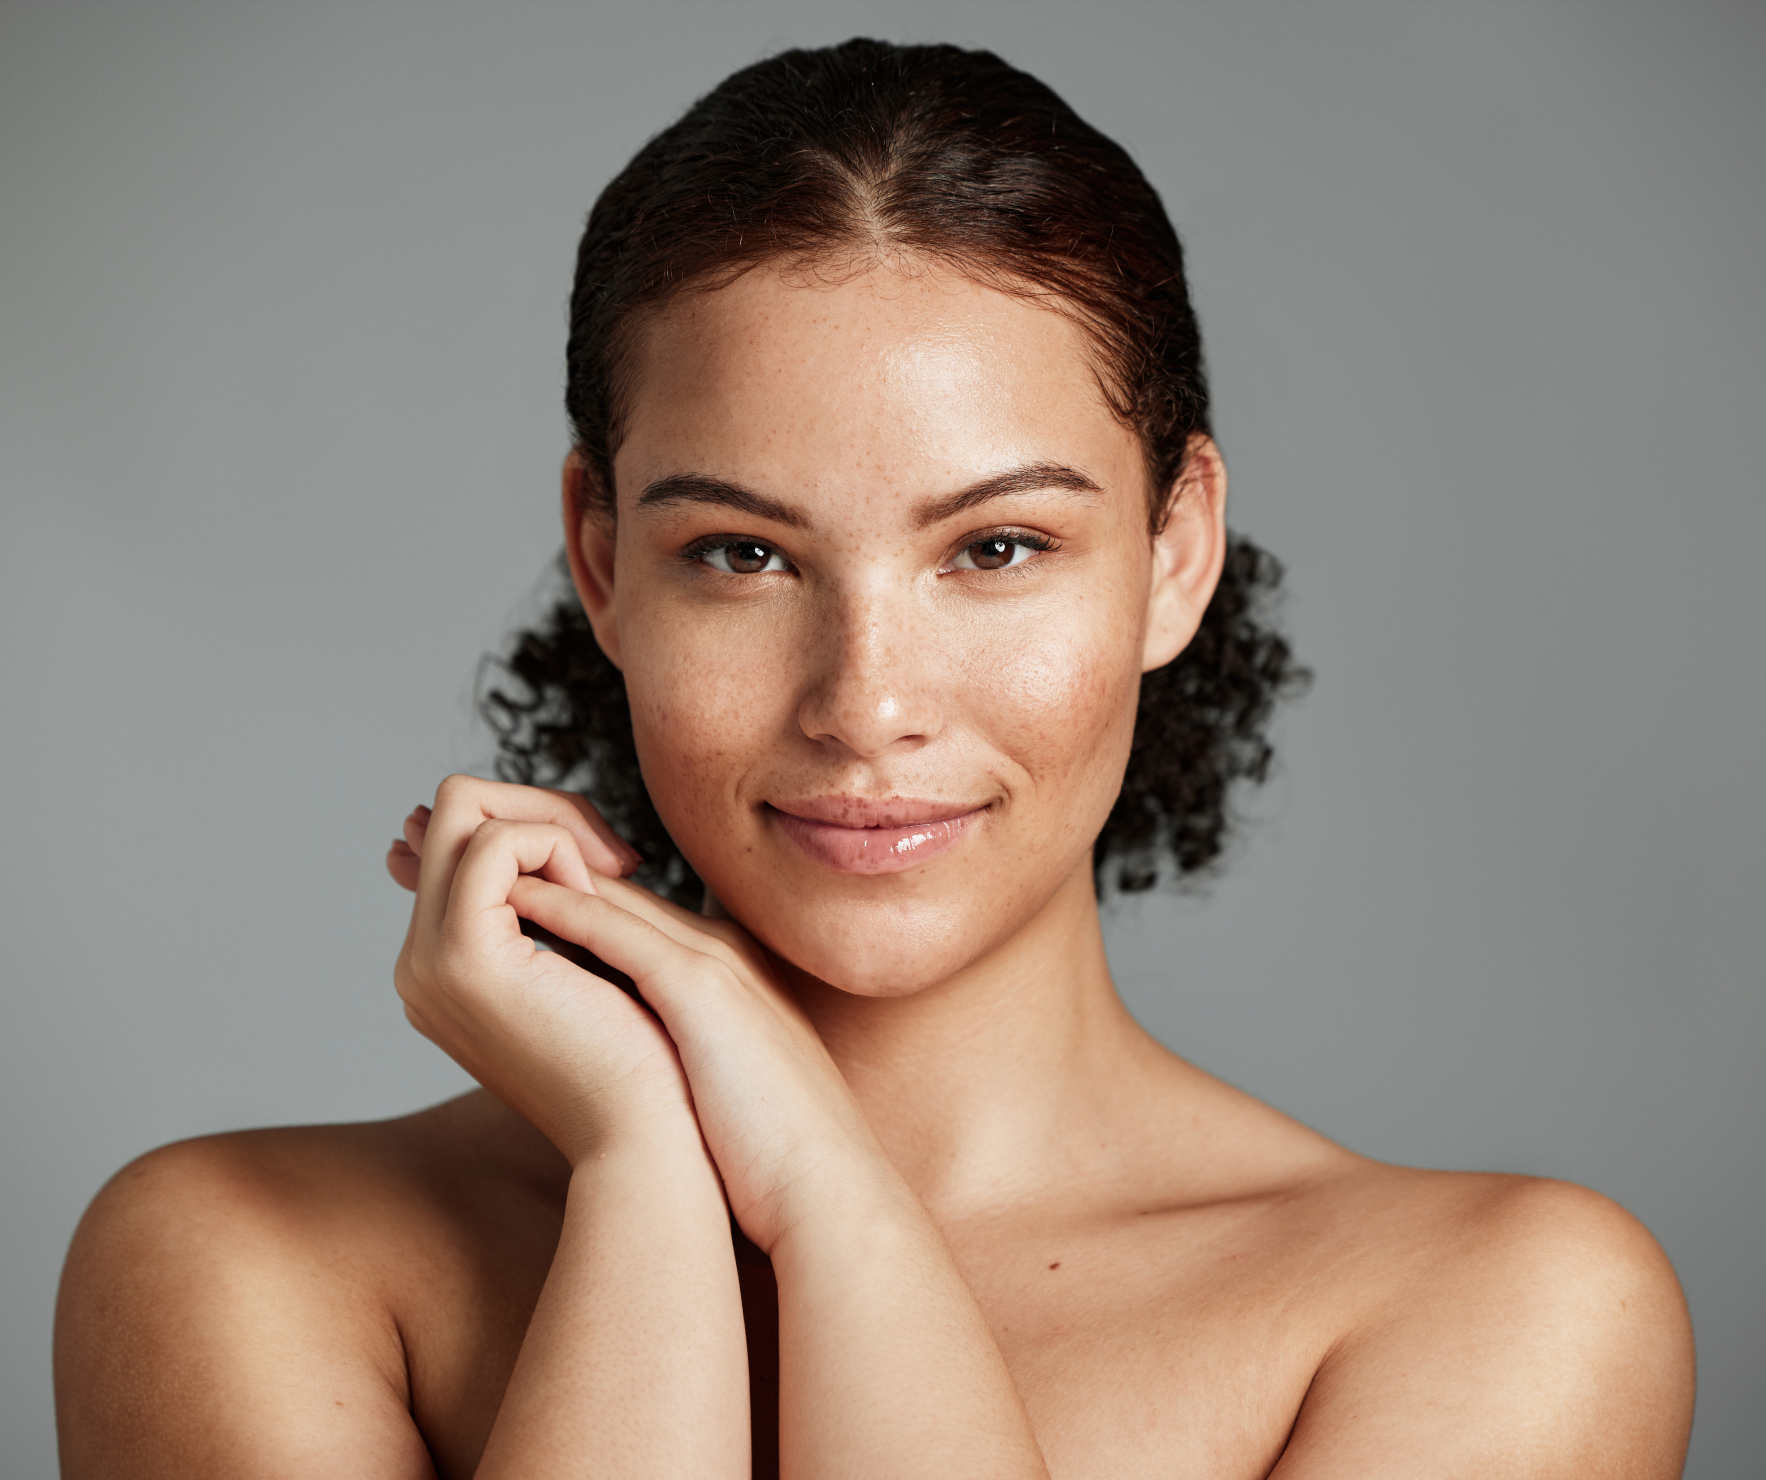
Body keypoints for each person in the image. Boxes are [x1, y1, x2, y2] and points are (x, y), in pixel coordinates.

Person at [54, 39, 1695, 1479]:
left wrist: (820, 1188)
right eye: (743, 556)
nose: (865, 703)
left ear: (1175, 551)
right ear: (603, 560)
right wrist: (647, 1171)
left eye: (995, 548)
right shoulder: (245, 1265)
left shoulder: (1495, 1314)